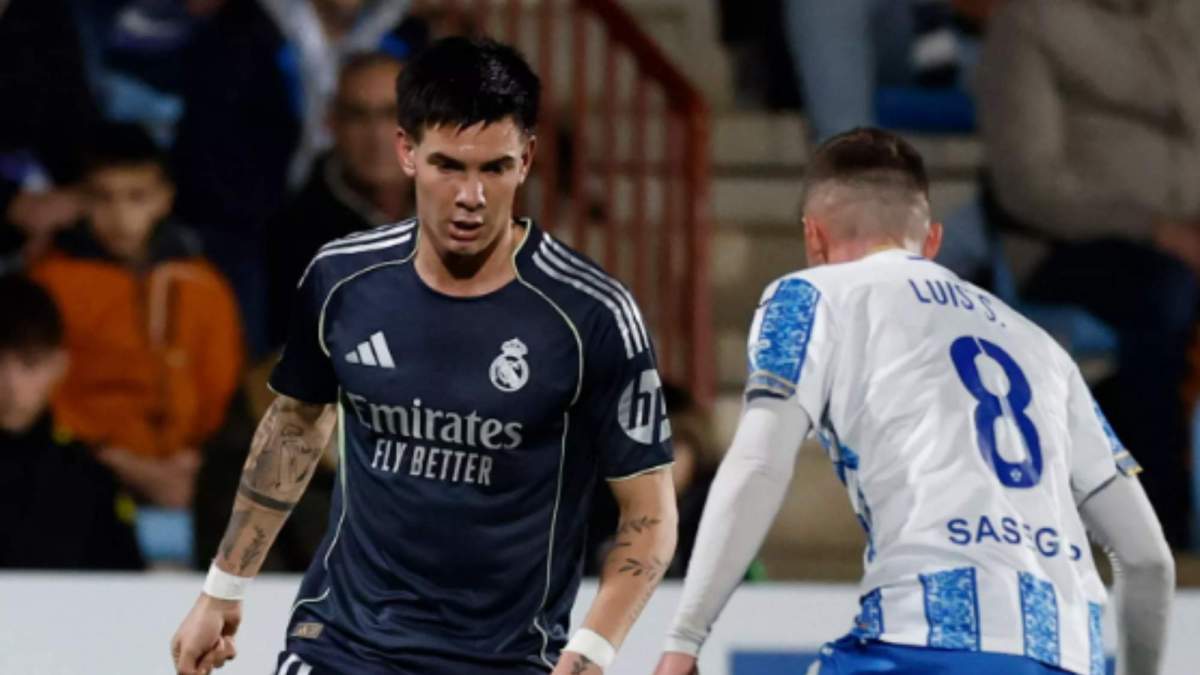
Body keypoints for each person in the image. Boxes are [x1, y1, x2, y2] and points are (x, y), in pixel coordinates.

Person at [171, 37, 676, 675]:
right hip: (341, 647)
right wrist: (223, 589)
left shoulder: (592, 315)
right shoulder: (341, 279)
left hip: (505, 660)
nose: (471, 196)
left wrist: (592, 652)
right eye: (448, 166)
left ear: (527, 160)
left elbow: (649, 510)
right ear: (406, 151)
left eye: (494, 168)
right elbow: (295, 427)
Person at [654, 129, 1175, 675]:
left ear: (813, 238)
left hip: (924, 640)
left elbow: (760, 463)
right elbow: (1148, 561)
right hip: (1068, 652)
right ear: (932, 243)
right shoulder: (1043, 349)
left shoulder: (814, 295)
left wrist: (685, 636)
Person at [978, 0, 1200, 546]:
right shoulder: (1028, 23)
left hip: (1188, 235)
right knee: (1165, 295)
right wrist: (1154, 227)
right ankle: (1158, 530)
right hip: (1071, 243)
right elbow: (1027, 184)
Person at [30, 122, 244, 511]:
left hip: (191, 474)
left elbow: (222, 390)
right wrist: (121, 462)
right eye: (103, 198)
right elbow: (41, 396)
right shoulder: (48, 284)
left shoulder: (204, 285)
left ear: (165, 198)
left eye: (137, 197)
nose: (120, 214)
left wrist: (195, 461)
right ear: (80, 200)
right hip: (83, 470)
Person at [264, 50, 414, 350]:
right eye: (359, 116)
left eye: (392, 115)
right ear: (332, 124)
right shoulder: (296, 234)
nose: (378, 136)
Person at [0, 274, 143, 570]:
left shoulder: (90, 478)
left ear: (58, 366)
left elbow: (127, 589)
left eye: (29, 364)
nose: (9, 383)